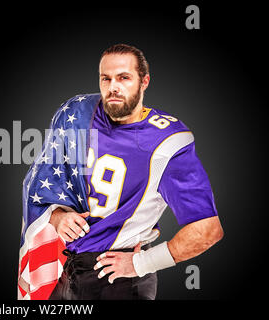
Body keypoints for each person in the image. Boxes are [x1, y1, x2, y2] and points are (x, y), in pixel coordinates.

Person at [17, 43, 223, 300]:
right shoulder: (79, 113)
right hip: (68, 268)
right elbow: (45, 179)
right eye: (106, 78)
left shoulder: (168, 141)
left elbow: (207, 229)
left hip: (120, 279)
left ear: (144, 81)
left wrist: (141, 264)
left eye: (124, 78)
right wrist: (57, 216)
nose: (113, 87)